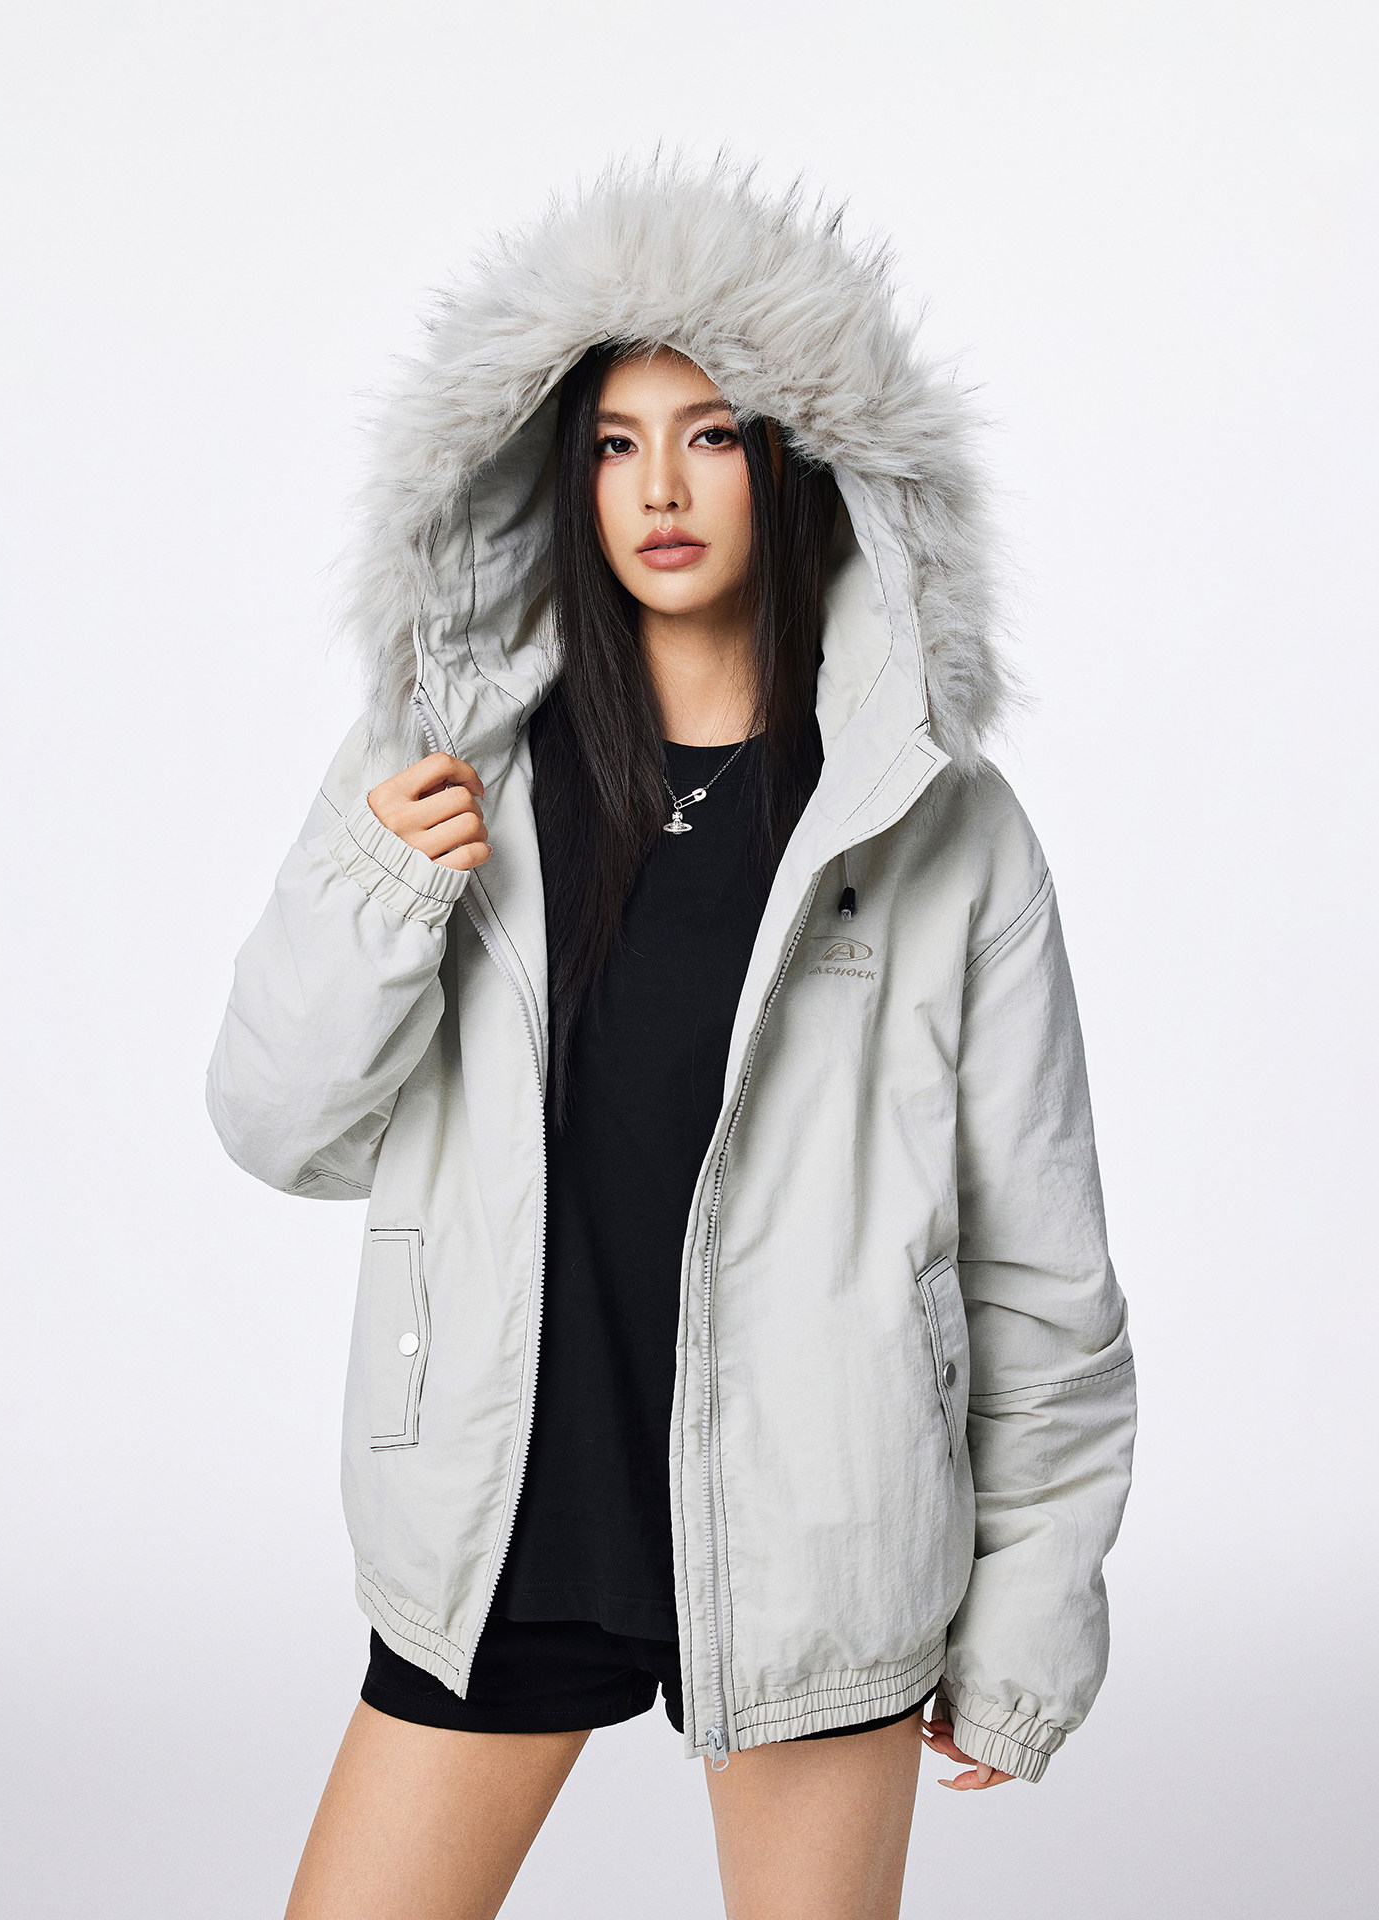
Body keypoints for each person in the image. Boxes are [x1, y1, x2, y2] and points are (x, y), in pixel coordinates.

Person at [207, 159, 1137, 1919]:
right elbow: (277, 1124)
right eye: (616, 443)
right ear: (559, 476)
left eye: (712, 436)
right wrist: (379, 890)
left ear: (798, 465)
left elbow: (1039, 1258)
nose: (659, 489)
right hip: (506, 1518)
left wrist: (1031, 1616)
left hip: (820, 1536)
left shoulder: (932, 823)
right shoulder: (444, 776)